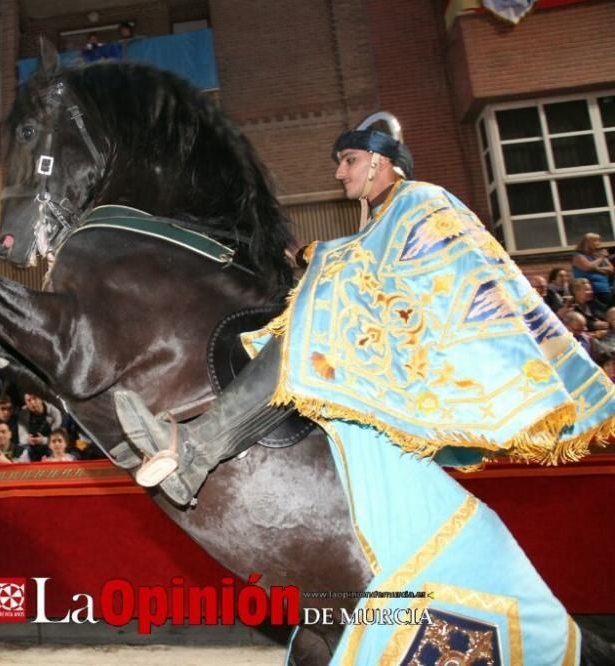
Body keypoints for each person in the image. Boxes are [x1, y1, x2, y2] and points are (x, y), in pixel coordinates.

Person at [114, 112, 610, 662]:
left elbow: (400, 276)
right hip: (389, 343)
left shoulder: (422, 200)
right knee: (307, 330)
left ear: (381, 161)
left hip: (412, 348)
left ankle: (198, 448)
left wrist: (320, 263)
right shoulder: (384, 220)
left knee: (306, 337)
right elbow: (362, 264)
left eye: (348, 162)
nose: (340, 174)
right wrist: (306, 257)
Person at [571, 232, 613, 307]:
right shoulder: (578, 256)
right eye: (596, 240)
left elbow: (611, 269)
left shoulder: (597, 255)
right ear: (588, 242)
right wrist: (601, 258)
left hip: (605, 289)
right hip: (590, 292)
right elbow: (588, 267)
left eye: (599, 240)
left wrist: (596, 268)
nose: (599, 243)